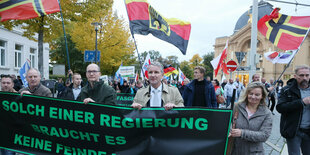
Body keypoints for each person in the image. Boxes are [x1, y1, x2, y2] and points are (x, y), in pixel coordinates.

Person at [230, 82, 272, 155]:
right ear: (246, 94)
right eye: (251, 93)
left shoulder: (266, 113)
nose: (253, 97)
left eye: (257, 95)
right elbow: (224, 122)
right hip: (235, 151)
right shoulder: (236, 107)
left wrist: (242, 133)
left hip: (255, 152)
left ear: (262, 96)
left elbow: (264, 135)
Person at [276, 65, 310, 155]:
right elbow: (280, 107)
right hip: (294, 131)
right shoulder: (287, 90)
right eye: (301, 75)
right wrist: (302, 102)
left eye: (307, 75)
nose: (305, 78)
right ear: (295, 76)